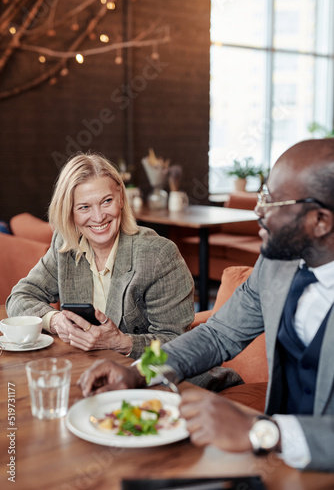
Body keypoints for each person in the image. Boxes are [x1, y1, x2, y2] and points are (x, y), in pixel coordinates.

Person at [78, 139, 334, 471]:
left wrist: (263, 431)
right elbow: (217, 335)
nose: (258, 211)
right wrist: (139, 373)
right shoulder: (276, 266)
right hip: (276, 463)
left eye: (272, 201)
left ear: (320, 221)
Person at [6, 153, 195, 359]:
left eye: (106, 201)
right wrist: (54, 320)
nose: (98, 217)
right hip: (90, 369)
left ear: (121, 198)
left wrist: (122, 343)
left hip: (152, 377)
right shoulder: (66, 245)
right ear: (69, 212)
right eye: (84, 207)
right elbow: (19, 297)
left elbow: (179, 344)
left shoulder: (158, 255)